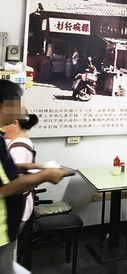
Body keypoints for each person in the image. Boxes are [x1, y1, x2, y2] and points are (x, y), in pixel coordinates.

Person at [0, 80, 67, 273]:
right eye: (17, 103)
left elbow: (4, 171)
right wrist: (45, 175)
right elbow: (5, 188)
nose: (19, 109)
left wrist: (30, 167)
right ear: (4, 104)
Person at [4, 114, 39, 224]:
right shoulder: (15, 141)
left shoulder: (19, 147)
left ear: (15, 123)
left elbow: (16, 181)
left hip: (16, 206)